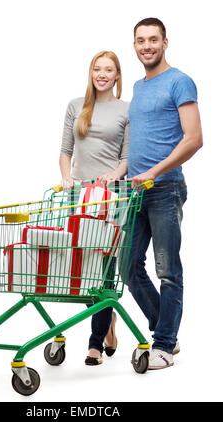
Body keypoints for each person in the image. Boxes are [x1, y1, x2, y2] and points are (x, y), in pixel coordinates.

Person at [125, 17, 203, 369]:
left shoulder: (180, 81)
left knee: (167, 270)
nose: (147, 46)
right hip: (135, 193)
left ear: (165, 42)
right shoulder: (139, 88)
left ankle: (164, 345)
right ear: (135, 45)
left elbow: (194, 139)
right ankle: (165, 331)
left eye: (153, 40)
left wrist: (154, 173)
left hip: (165, 188)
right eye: (140, 41)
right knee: (128, 267)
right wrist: (125, 173)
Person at [59, 50, 129, 365]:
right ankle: (107, 320)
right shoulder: (77, 106)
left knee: (104, 267)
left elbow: (129, 155)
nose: (102, 74)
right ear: (91, 73)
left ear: (117, 75)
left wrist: (115, 174)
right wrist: (65, 177)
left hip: (112, 196)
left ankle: (94, 344)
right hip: (79, 195)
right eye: (97, 69)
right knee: (84, 265)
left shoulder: (126, 110)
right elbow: (65, 150)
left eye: (108, 70)